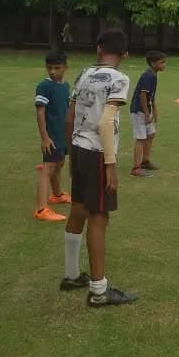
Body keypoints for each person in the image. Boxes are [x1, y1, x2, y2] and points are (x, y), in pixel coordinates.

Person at [61, 29, 138, 307]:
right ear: (125, 55)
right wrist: (111, 166)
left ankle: (71, 275)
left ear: (98, 49)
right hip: (96, 154)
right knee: (99, 216)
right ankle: (99, 290)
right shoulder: (120, 78)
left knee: (79, 207)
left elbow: (70, 117)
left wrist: (71, 153)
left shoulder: (82, 74)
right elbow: (106, 123)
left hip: (79, 149)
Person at [33, 50, 72, 222]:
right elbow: (40, 113)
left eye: (57, 68)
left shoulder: (65, 86)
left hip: (63, 135)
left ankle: (56, 194)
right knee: (48, 168)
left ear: (65, 67)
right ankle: (41, 210)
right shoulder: (45, 86)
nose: (53, 71)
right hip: (52, 136)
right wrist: (44, 137)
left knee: (60, 163)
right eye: (49, 68)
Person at [130, 50, 167, 177]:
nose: (164, 65)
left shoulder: (153, 74)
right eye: (162, 62)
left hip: (147, 109)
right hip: (139, 110)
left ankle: (145, 161)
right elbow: (142, 95)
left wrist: (154, 110)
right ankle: (136, 168)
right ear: (153, 63)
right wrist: (146, 114)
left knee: (151, 134)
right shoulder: (147, 76)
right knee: (141, 138)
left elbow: (151, 96)